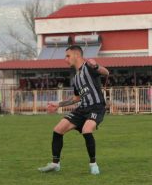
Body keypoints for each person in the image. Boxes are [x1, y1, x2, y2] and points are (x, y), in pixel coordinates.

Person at [38, 45, 109, 175]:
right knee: (58, 130)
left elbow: (106, 72)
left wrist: (97, 66)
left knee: (86, 130)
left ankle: (93, 164)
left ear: (76, 55)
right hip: (82, 109)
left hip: (96, 107)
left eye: (67, 56)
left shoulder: (89, 67)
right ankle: (55, 164)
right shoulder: (76, 77)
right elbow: (76, 98)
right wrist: (58, 105)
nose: (66, 59)